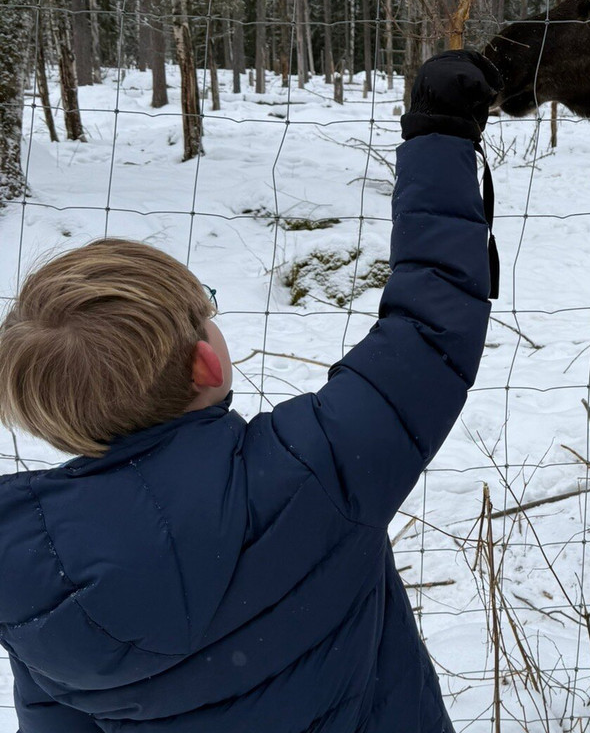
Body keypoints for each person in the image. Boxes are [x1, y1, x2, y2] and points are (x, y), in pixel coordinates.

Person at [0, 50, 501, 733]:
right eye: (206, 307)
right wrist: (440, 138)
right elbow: (431, 325)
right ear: (206, 364)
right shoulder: (314, 472)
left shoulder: (29, 584)